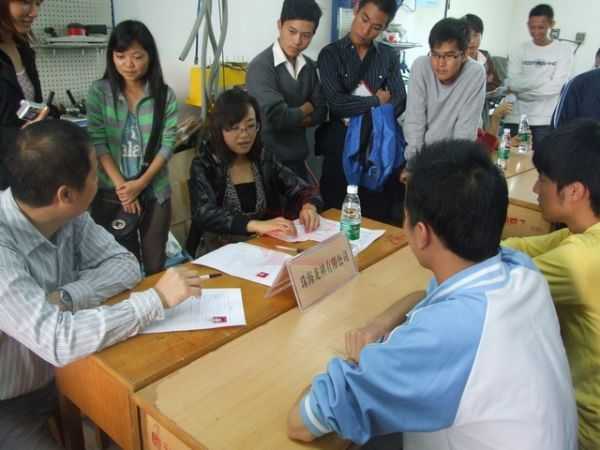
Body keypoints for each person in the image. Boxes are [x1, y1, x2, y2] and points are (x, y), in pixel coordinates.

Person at [287, 139, 577, 449]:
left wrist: (365, 363)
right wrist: (379, 325)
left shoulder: (444, 336)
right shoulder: (519, 269)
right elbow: (424, 297)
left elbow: (301, 423)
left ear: (422, 233)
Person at [0, 120, 203, 450]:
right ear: (65, 194)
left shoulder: (69, 214)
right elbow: (59, 339)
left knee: (136, 424)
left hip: (73, 368)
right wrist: (155, 299)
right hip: (11, 397)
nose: (103, 180)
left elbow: (125, 266)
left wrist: (66, 298)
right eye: (96, 173)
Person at [502, 119, 600, 449]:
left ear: (574, 191)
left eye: (542, 180)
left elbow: (493, 284)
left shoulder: (579, 259)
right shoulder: (583, 234)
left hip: (586, 428)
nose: (535, 189)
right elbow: (519, 247)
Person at [87, 20, 178, 275]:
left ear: (150, 57)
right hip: (111, 192)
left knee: (155, 265)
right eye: (121, 56)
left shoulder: (164, 95)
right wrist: (124, 189)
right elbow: (98, 142)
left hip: (154, 191)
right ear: (111, 57)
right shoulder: (99, 92)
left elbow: (168, 145)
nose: (129, 64)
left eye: (137, 57)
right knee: (121, 267)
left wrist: (140, 184)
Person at [187, 88, 322, 256]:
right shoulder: (205, 164)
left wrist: (309, 206)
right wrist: (256, 225)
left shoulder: (263, 158)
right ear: (219, 129)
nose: (244, 135)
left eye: (251, 126)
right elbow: (204, 213)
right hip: (218, 253)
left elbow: (301, 188)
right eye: (235, 128)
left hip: (261, 248)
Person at [316, 0, 406, 223]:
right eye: (364, 19)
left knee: (378, 216)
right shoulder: (330, 54)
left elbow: (399, 100)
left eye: (376, 27)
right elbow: (336, 103)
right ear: (356, 10)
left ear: (385, 27)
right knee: (336, 215)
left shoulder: (388, 56)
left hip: (378, 147)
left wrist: (363, 112)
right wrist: (376, 101)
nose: (366, 31)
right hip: (341, 145)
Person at [246, 0, 326, 182]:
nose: (297, 41)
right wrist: (306, 108)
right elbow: (277, 118)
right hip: (267, 165)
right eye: (292, 31)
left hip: (299, 162)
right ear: (279, 25)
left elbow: (321, 112)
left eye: (306, 35)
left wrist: (291, 116)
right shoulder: (261, 67)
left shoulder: (310, 67)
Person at [403, 18, 486, 171]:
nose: (440, 63)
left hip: (453, 161)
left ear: (464, 54)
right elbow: (415, 121)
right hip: (421, 157)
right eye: (435, 54)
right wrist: (413, 165)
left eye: (449, 56)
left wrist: (453, 171)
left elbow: (465, 131)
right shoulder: (421, 67)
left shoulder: (475, 73)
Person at [503, 4, 572, 149]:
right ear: (527, 24)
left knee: (541, 158)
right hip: (516, 116)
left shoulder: (564, 50)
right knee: (507, 155)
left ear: (551, 24)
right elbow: (513, 83)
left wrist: (523, 92)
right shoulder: (518, 49)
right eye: (532, 27)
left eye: (541, 27)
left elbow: (558, 85)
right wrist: (544, 81)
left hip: (544, 120)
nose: (535, 32)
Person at [0, 0, 48, 189]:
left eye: (38, 3)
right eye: (26, 2)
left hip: (26, 169)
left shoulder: (23, 47)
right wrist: (20, 135)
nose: (35, 12)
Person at [462, 13, 500, 92]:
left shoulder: (485, 57)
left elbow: (495, 84)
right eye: (467, 36)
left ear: (481, 36)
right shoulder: (456, 59)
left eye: (475, 35)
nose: (472, 41)